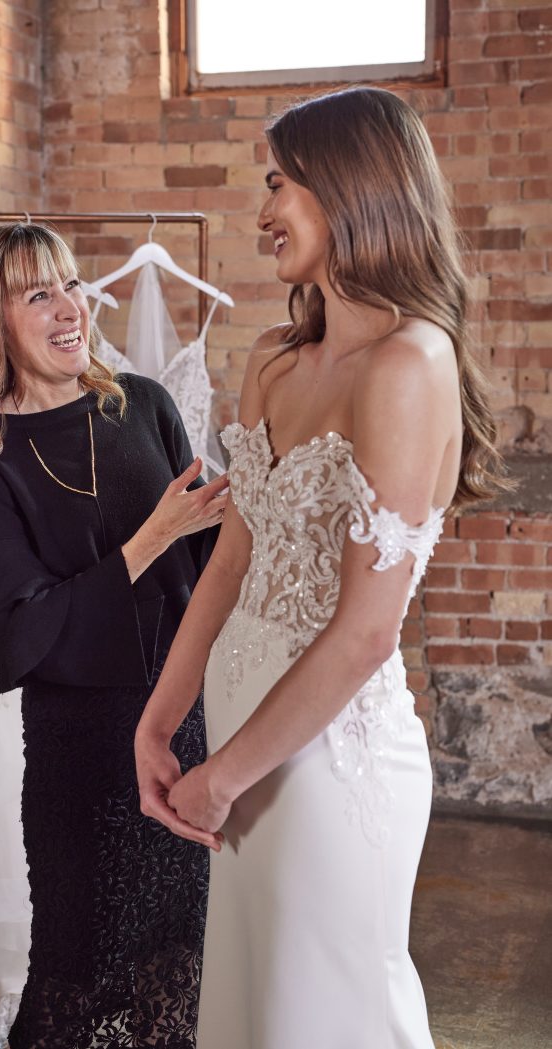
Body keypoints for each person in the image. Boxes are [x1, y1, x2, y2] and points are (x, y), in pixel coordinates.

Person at [135, 87, 510, 1049]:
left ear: (351, 189)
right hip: (237, 743)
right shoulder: (272, 360)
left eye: (281, 185)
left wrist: (222, 777)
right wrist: (163, 716)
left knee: (320, 1014)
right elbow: (231, 559)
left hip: (323, 762)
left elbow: (363, 634)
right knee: (253, 1008)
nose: (264, 212)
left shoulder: (410, 364)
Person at [0, 223, 226, 1049]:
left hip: (182, 718)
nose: (72, 307)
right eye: (39, 293)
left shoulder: (147, 404)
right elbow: (26, 630)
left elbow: (208, 575)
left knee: (178, 963)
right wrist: (149, 537)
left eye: (72, 284)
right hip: (78, 749)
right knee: (77, 968)